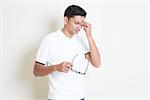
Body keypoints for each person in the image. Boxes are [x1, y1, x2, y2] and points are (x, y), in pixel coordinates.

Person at [33, 5, 101, 100]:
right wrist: (56, 67)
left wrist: (89, 36)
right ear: (66, 20)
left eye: (81, 24)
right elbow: (36, 71)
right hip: (58, 98)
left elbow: (97, 63)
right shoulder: (50, 40)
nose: (79, 27)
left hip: (80, 97)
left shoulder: (82, 39)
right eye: (76, 23)